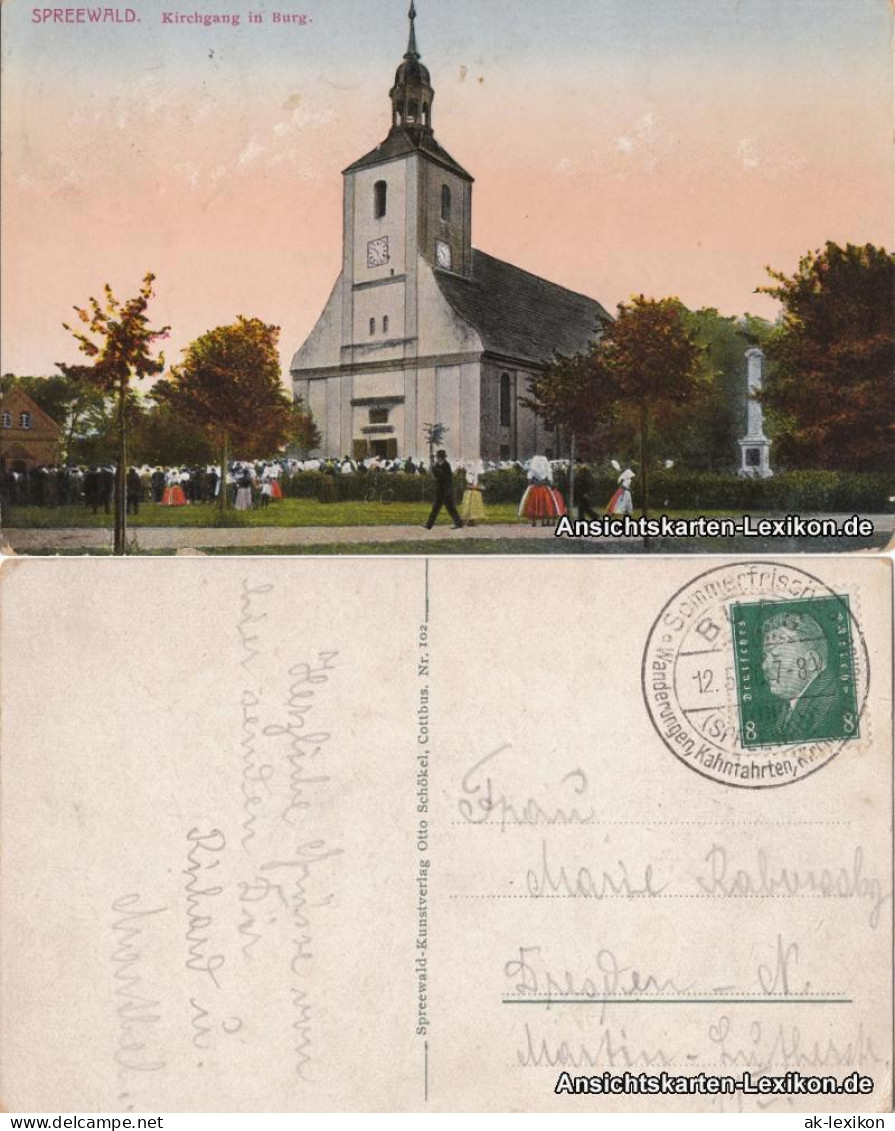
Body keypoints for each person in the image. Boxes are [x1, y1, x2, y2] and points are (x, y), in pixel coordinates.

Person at [760, 611, 839, 743]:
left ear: (812, 662)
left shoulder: (829, 707)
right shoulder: (789, 710)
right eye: (765, 657)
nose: (764, 666)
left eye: (776, 657)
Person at [518, 455, 566, 526]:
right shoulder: (546, 469)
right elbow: (550, 479)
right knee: (546, 505)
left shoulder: (532, 470)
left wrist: (535, 482)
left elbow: (529, 479)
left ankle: (534, 522)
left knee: (535, 504)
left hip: (535, 489)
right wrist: (548, 482)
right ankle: (545, 521)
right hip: (545, 489)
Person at [424, 450, 463, 530]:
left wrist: (436, 470)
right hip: (440, 491)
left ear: (441, 458)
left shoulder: (446, 465)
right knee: (435, 508)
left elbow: (446, 477)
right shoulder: (437, 465)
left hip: (446, 491)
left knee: (450, 508)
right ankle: (429, 525)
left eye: (438, 457)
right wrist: (434, 468)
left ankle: (459, 523)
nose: (437, 458)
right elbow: (436, 475)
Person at [458, 460, 486, 526]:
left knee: (473, 507)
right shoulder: (467, 475)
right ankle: (461, 521)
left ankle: (471, 521)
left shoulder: (475, 474)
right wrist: (478, 487)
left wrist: (478, 487)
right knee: (467, 507)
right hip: (469, 492)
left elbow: (475, 482)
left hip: (474, 493)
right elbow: (467, 485)